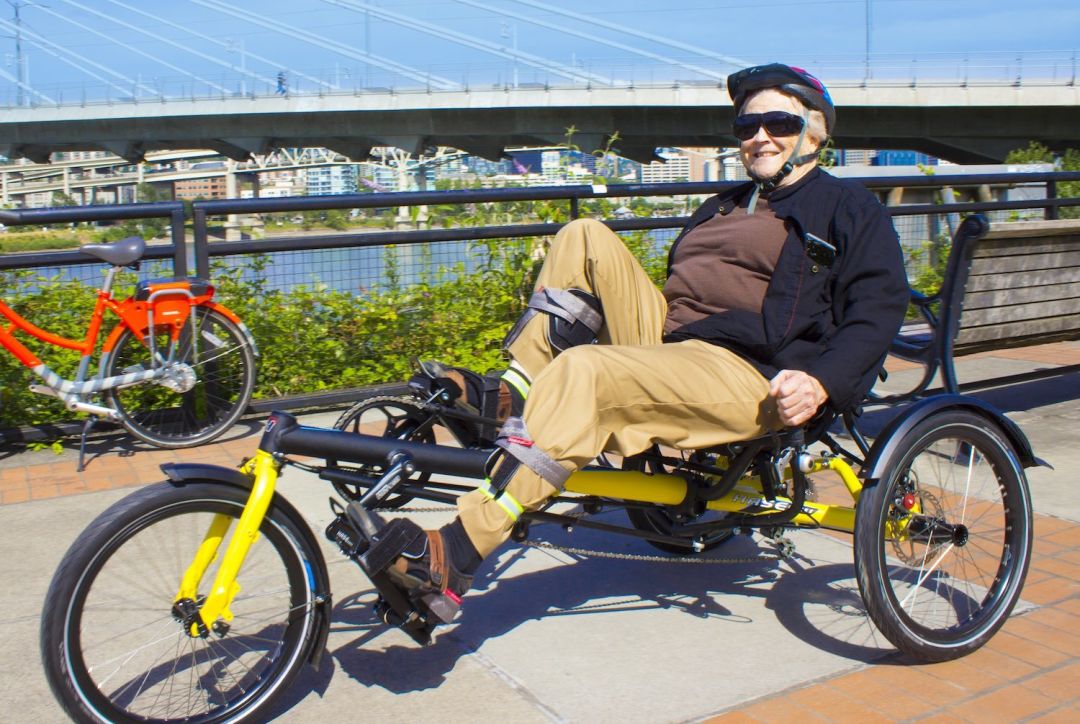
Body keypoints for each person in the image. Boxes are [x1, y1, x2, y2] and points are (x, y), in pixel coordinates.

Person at [353, 62, 910, 626]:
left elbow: (878, 311)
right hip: (675, 343)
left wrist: (819, 381)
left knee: (588, 370)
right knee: (584, 234)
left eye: (777, 123)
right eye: (746, 127)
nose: (760, 136)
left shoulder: (847, 208)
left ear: (814, 132)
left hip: (750, 369)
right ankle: (515, 395)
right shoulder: (723, 203)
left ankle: (458, 550)